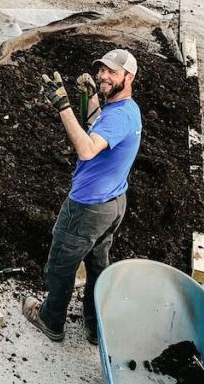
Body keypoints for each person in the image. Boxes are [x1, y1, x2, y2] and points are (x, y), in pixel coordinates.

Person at [22, 48, 142, 345]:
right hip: (114, 204)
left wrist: (63, 106)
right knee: (97, 264)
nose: (103, 76)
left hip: (88, 206)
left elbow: (87, 149)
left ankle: (51, 320)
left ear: (129, 77)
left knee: (61, 264)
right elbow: (99, 127)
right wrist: (90, 98)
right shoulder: (125, 109)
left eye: (112, 72)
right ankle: (94, 327)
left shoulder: (119, 116)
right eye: (101, 70)